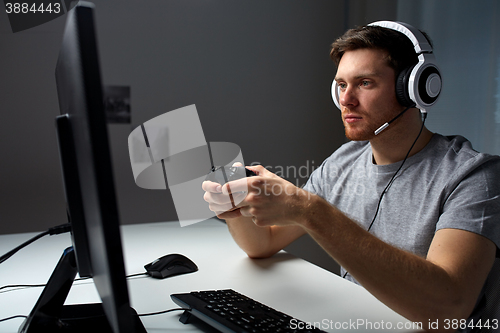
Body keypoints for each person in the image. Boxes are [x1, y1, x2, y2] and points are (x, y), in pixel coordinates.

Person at [202, 22, 500, 332]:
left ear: (413, 87)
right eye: (341, 85)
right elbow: (263, 243)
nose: (346, 99)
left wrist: (310, 211)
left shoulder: (474, 176)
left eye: (365, 83)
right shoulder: (342, 162)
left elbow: (447, 310)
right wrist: (236, 208)